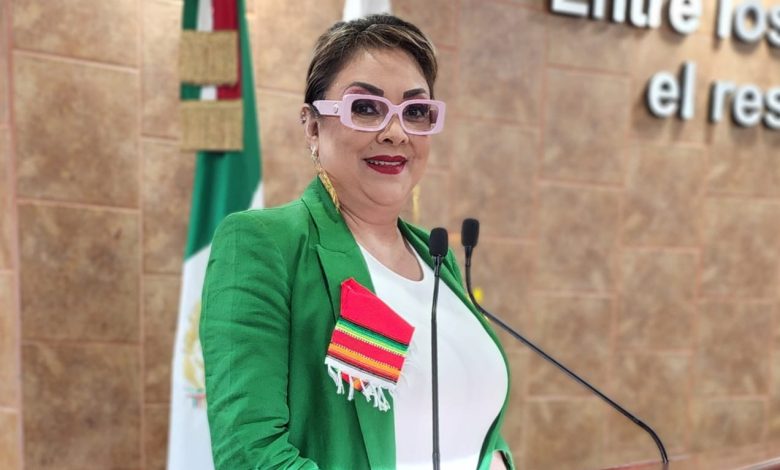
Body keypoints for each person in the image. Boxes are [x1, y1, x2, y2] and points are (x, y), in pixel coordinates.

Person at [200, 14, 513, 470]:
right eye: (366, 108)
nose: (395, 132)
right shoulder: (265, 244)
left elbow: (477, 430)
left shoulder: (437, 257)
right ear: (312, 126)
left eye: (415, 112)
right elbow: (250, 455)